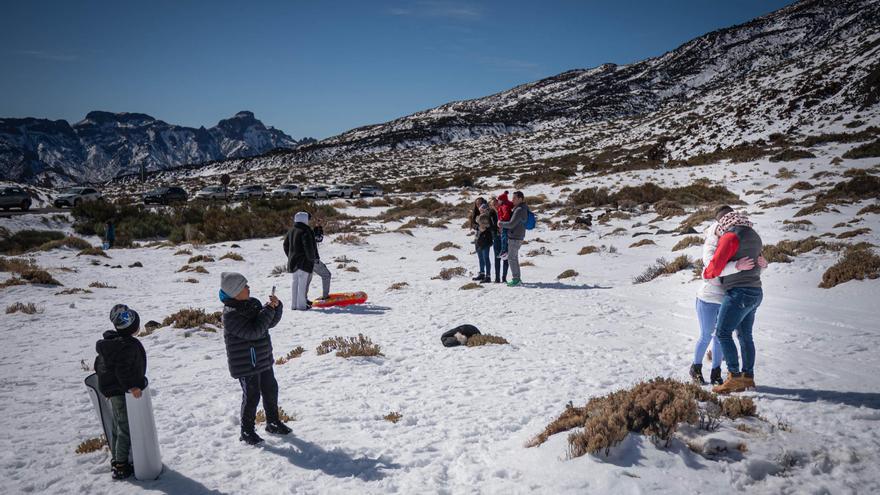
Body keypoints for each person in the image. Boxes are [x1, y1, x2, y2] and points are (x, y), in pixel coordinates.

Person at [691, 215, 765, 385]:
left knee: (721, 336)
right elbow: (711, 269)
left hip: (729, 296)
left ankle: (718, 373)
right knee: (707, 336)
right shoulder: (714, 243)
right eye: (719, 228)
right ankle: (696, 368)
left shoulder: (735, 240)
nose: (722, 229)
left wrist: (762, 265)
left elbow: (750, 267)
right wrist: (734, 266)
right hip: (709, 297)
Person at [219, 272, 288, 445]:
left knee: (270, 389)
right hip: (246, 364)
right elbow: (254, 332)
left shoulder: (253, 303)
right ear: (235, 292)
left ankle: (273, 422)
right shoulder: (230, 314)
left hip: (262, 358)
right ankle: (247, 431)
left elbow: (268, 323)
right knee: (252, 396)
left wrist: (275, 307)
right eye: (244, 286)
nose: (248, 287)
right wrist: (268, 310)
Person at [95, 304, 148, 479]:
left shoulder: (116, 343)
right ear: (134, 328)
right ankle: (120, 466)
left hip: (112, 390)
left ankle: (117, 458)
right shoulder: (126, 347)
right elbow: (122, 370)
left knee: (118, 426)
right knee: (124, 427)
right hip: (119, 391)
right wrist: (131, 387)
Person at [283, 211, 318, 310]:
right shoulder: (306, 230)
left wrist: (290, 256)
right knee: (302, 284)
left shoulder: (291, 230)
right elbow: (308, 246)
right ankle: (302, 306)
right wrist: (311, 258)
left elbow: (285, 245)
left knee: (295, 283)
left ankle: (294, 305)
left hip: (293, 261)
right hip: (304, 261)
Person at [498, 191, 529, 287]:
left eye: (515, 198)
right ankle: (517, 278)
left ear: (520, 199)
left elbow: (511, 224)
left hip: (515, 236)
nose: (512, 200)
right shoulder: (520, 208)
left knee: (512, 258)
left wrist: (500, 223)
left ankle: (516, 279)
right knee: (513, 258)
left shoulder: (519, 209)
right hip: (517, 236)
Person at [307, 220, 332, 302]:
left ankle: (303, 299)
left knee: (306, 279)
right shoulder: (307, 232)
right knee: (326, 275)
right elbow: (319, 238)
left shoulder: (298, 231)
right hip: (312, 259)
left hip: (302, 260)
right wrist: (319, 229)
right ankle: (325, 297)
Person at [474, 203, 495, 283]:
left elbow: (487, 226)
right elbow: (475, 224)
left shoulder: (487, 216)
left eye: (482, 209)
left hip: (485, 239)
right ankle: (482, 273)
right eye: (480, 209)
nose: (481, 211)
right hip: (478, 239)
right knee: (481, 257)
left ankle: (488, 276)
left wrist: (480, 226)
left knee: (485, 257)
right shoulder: (480, 216)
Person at [488, 198, 505, 283]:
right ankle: (497, 278)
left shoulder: (503, 210)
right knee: (497, 257)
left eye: (496, 203)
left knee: (505, 257)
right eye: (493, 204)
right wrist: (497, 230)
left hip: (505, 236)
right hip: (496, 236)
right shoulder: (490, 214)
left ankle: (504, 277)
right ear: (490, 206)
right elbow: (491, 226)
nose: (495, 205)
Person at [496, 191, 514, 261]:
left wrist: (501, 220)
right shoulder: (503, 205)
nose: (498, 201)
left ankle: (504, 251)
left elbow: (506, 214)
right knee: (504, 237)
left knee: (504, 237)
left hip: (505, 224)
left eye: (499, 200)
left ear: (502, 200)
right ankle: (504, 251)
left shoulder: (505, 206)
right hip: (505, 223)